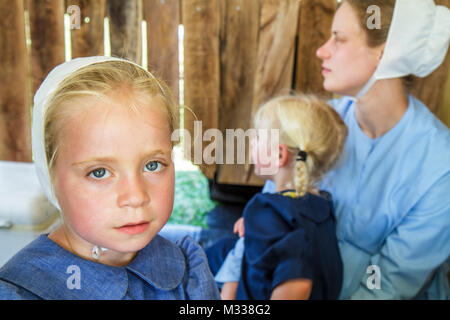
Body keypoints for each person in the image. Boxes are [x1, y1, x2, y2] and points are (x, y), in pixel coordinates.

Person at [214, 0, 450, 300]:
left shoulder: (440, 166)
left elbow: (389, 285)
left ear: (384, 52)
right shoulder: (318, 125)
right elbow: (266, 215)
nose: (321, 50)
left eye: (338, 38)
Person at [0, 56, 220, 300]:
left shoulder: (188, 269)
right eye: (99, 172)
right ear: (50, 176)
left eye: (153, 165)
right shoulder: (19, 291)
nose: (135, 196)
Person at [207, 94, 348, 300]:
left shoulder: (270, 211)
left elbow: (298, 285)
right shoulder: (322, 206)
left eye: (257, 137)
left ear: (279, 155)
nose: (251, 141)